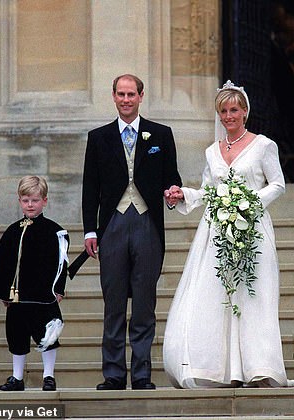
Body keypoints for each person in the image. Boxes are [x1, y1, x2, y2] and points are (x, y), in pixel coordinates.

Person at [162, 80, 294, 388]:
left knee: (253, 296)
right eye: (223, 110)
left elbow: (277, 184)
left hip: (252, 227)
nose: (228, 116)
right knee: (216, 296)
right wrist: (182, 194)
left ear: (245, 111)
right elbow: (210, 190)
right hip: (217, 229)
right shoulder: (212, 151)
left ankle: (258, 367)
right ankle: (220, 369)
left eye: (234, 109)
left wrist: (247, 204)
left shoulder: (264, 145)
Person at [80, 74, 182, 390]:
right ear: (113, 97)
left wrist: (174, 192)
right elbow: (89, 189)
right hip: (112, 224)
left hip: (147, 223)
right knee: (113, 303)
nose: (126, 100)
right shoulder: (98, 138)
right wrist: (89, 231)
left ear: (141, 96)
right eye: (121, 94)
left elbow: (172, 177)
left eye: (131, 94)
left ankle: (141, 374)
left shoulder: (161, 135)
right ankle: (112, 373)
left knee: (143, 304)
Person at [0, 176, 69, 391]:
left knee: (48, 336)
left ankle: (48, 376)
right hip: (18, 296)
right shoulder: (12, 231)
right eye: (25, 200)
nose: (30, 205)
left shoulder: (55, 231)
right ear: (19, 201)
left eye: (34, 200)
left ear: (44, 201)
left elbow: (62, 262)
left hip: (43, 295)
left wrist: (58, 288)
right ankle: (17, 377)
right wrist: (3, 291)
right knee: (17, 335)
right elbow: (2, 261)